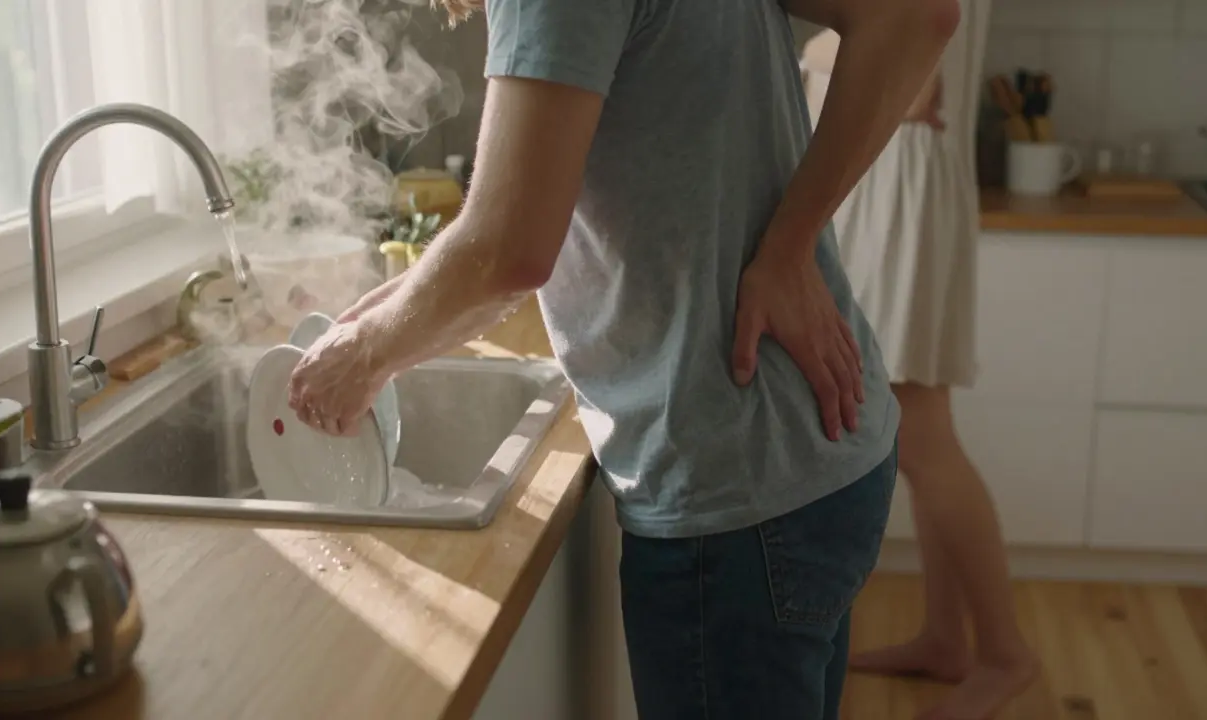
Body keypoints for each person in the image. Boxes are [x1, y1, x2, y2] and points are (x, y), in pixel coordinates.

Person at [288, 0, 957, 717]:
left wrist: (365, 356)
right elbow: (919, 15)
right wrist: (789, 243)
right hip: (821, 447)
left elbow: (509, 249)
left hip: (732, 488)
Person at [804, 3, 1039, 719]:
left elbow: (911, 86)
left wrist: (809, 50)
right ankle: (946, 639)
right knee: (924, 434)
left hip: (898, 193)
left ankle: (1005, 654)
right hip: (901, 188)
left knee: (923, 440)